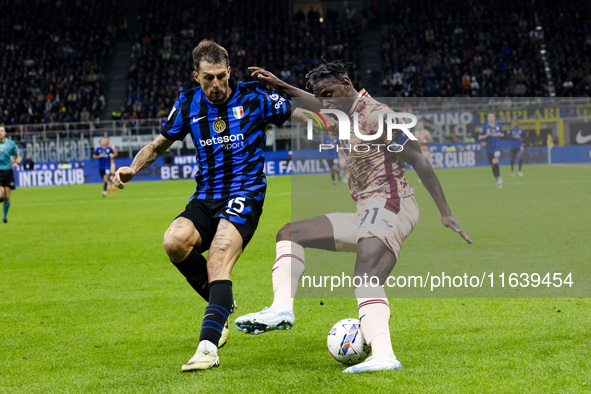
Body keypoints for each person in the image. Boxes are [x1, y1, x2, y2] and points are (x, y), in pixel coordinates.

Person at [235, 61, 471, 373]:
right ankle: (281, 309)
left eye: (330, 93)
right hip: (366, 210)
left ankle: (384, 355)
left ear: (347, 84)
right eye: (323, 97)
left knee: (366, 275)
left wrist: (446, 213)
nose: (326, 102)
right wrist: (279, 83)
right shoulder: (342, 117)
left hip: (392, 202)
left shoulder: (377, 115)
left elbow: (418, 159)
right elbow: (309, 99)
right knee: (289, 234)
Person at [112, 40, 292, 372]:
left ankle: (207, 348)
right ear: (196, 76)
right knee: (174, 241)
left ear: (229, 71)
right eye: (208, 78)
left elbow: (301, 109)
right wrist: (132, 168)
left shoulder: (255, 98)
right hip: (205, 197)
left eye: (221, 76)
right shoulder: (187, 105)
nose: (216, 85)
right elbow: (158, 144)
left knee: (219, 258)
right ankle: (220, 304)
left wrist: (342, 117)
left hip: (245, 193)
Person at [0, 124, 21, 224]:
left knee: (7, 196)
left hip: (8, 172)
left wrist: (16, 163)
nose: (0, 133)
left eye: (2, 131)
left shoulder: (11, 144)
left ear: (5, 133)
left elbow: (18, 157)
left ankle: (4, 217)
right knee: (0, 195)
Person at [478, 113, 504, 188]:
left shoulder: (499, 126)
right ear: (488, 118)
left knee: (495, 161)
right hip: (489, 148)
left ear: (494, 118)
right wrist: (486, 135)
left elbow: (502, 135)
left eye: (492, 117)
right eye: (489, 117)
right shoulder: (485, 127)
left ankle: (499, 178)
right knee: (492, 165)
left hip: (497, 148)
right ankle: (498, 178)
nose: (491, 118)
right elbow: (479, 137)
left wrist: (500, 135)